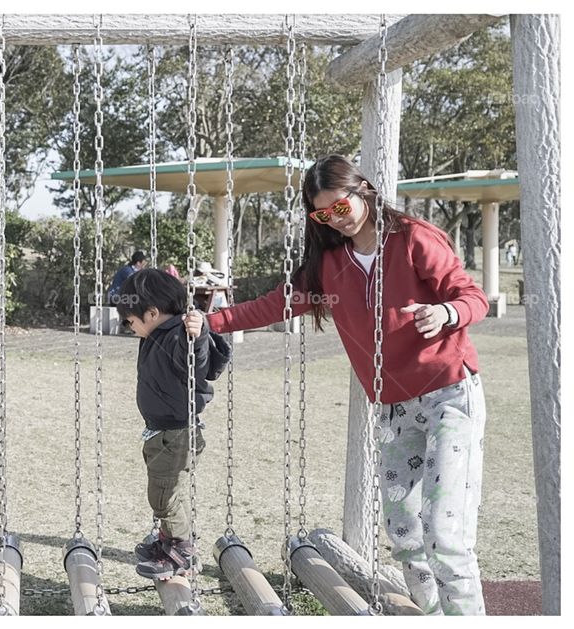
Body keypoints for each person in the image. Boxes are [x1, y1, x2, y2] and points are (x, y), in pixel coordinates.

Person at [186, 154, 489, 615]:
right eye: (322, 214)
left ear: (362, 191)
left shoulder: (413, 239)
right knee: (405, 533)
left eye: (340, 207)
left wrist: (446, 313)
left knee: (444, 534)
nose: (335, 220)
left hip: (449, 393)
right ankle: (433, 616)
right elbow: (276, 305)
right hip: (394, 408)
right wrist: (213, 321)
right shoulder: (330, 263)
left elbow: (472, 296)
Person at [115, 268, 231, 580]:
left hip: (176, 434)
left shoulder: (179, 336)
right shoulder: (156, 332)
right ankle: (168, 542)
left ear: (152, 313)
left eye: (129, 320)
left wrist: (198, 333)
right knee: (170, 493)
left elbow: (196, 361)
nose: (127, 326)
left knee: (163, 496)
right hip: (164, 432)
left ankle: (182, 550)